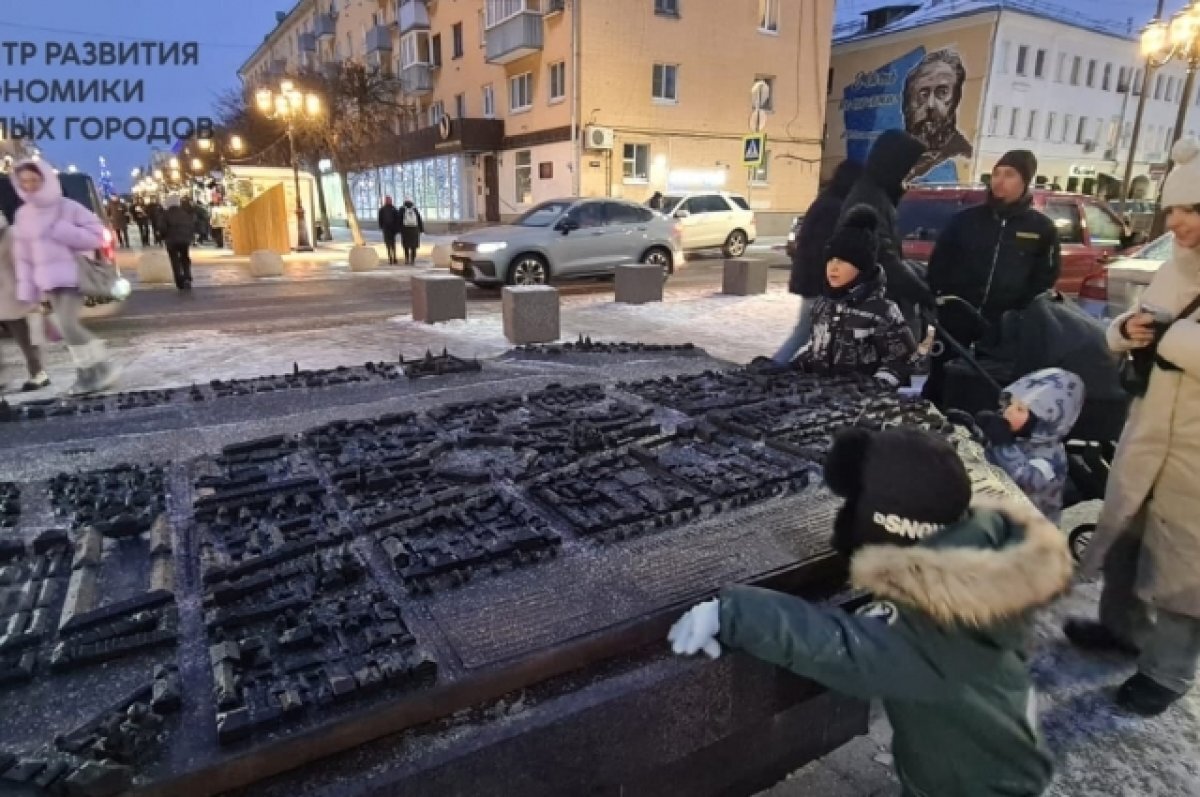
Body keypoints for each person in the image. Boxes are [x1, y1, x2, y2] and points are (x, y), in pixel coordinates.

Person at [668, 426, 1072, 797]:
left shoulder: (932, 629)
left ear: (894, 526)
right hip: (991, 756)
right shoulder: (977, 562)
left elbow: (840, 649)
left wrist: (732, 613)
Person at [1063, 138, 1200, 717]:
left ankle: (1167, 672)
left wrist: (1168, 337)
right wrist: (1126, 329)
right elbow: (1141, 321)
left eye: (1191, 211)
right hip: (1151, 430)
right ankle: (1122, 628)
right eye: (1173, 210)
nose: (1177, 222)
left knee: (1184, 563)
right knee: (1128, 538)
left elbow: (1179, 338)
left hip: (1195, 447)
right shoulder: (1175, 267)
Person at [924, 150, 1062, 406]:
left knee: (988, 392)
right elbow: (939, 265)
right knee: (943, 385)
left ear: (1025, 181)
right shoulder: (964, 222)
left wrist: (1019, 314)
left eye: (1009, 174)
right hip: (957, 322)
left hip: (1003, 330)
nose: (999, 180)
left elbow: (1045, 277)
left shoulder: (1041, 229)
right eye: (996, 173)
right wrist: (942, 300)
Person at [11, 159, 119, 395]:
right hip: (47, 281)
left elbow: (97, 235)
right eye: (24, 181)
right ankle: (87, 373)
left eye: (34, 180)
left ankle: (100, 366)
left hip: (71, 275)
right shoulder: (23, 215)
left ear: (45, 179)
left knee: (67, 324)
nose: (29, 185)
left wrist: (65, 232)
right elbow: (23, 256)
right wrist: (27, 290)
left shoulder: (66, 207)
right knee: (62, 326)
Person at [796, 205, 917, 387]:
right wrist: (794, 367)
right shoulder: (823, 305)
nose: (833, 267)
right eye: (831, 259)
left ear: (861, 267)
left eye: (844, 261)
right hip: (822, 397)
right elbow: (817, 349)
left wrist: (875, 386)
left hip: (863, 404)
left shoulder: (882, 311)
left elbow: (902, 360)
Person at [953, 368, 1084, 524]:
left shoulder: (1050, 457)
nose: (1008, 412)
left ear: (1044, 421)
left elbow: (1026, 480)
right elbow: (990, 455)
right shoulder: (1020, 437)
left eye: (1020, 409)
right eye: (1010, 404)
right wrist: (974, 429)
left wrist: (1003, 444)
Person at [840, 129, 936, 335]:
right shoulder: (869, 199)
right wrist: (920, 292)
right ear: (894, 165)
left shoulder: (878, 195)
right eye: (909, 167)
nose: (912, 174)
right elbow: (883, 258)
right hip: (871, 305)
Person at [772, 159, 864, 364]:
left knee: (811, 333)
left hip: (814, 281)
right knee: (805, 332)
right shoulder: (835, 208)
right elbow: (824, 250)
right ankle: (773, 366)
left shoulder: (827, 201)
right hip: (819, 284)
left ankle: (778, 366)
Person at [902, 49, 974, 180]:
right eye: (923, 94)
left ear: (956, 99)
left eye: (942, 93)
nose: (930, 105)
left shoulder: (961, 157)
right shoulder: (894, 156)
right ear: (907, 103)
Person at [0, 210, 49, 392]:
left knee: (25, 338)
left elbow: (24, 265)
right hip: (7, 295)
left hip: (13, 295)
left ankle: (38, 373)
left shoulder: (10, 235)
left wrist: (35, 293)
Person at [163, 196, 195, 290]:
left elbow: (162, 227)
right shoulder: (184, 213)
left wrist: (162, 236)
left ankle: (179, 280)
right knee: (185, 258)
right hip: (185, 240)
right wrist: (189, 236)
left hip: (171, 240)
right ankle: (187, 276)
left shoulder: (166, 214)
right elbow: (191, 225)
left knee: (174, 260)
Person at [399, 199, 424, 266]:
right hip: (414, 230)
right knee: (414, 246)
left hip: (405, 230)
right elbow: (419, 219)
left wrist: (399, 229)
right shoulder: (415, 209)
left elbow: (399, 219)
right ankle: (412, 259)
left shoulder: (402, 209)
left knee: (406, 245)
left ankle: (407, 259)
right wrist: (421, 229)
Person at [377, 196, 400, 265]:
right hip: (386, 229)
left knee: (393, 244)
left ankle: (394, 257)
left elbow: (397, 219)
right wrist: (382, 227)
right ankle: (390, 257)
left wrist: (397, 229)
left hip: (392, 229)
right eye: (387, 200)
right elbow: (380, 219)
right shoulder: (382, 209)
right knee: (388, 244)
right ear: (385, 201)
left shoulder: (394, 209)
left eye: (389, 200)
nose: (389, 201)